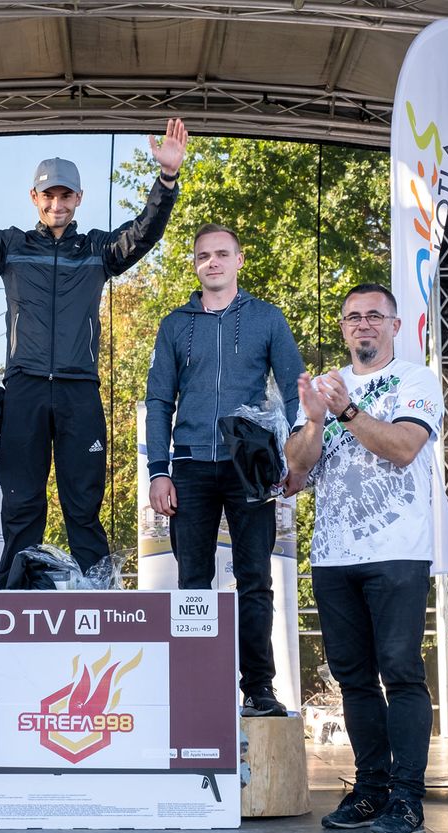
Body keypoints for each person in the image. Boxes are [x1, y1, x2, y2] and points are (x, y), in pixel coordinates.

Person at [0, 116, 188, 586]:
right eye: (48, 195)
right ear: (34, 198)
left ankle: (97, 591)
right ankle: (15, 591)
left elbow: (144, 233)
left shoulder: (97, 250)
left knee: (83, 503)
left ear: (79, 199)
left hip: (78, 390)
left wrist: (166, 178)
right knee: (21, 501)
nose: (57, 204)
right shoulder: (11, 247)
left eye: (65, 196)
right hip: (24, 389)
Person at [284, 283, 444, 833]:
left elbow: (402, 447)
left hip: (397, 551)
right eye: (353, 317)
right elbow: (296, 470)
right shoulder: (325, 388)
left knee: (400, 672)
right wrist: (313, 421)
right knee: (352, 679)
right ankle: (372, 788)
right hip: (333, 554)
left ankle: (408, 798)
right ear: (343, 327)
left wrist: (346, 411)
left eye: (375, 315)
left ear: (395, 326)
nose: (363, 324)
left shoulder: (415, 379)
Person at [145, 224, 303, 717]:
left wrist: (292, 456)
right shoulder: (174, 324)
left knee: (255, 579)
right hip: (189, 465)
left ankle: (258, 689)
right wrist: (158, 470)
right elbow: (158, 401)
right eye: (202, 256)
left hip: (249, 466)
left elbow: (295, 391)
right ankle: (198, 690)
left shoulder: (267, 318)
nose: (211, 262)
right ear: (195, 264)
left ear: (239, 260)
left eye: (221, 254)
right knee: (193, 582)